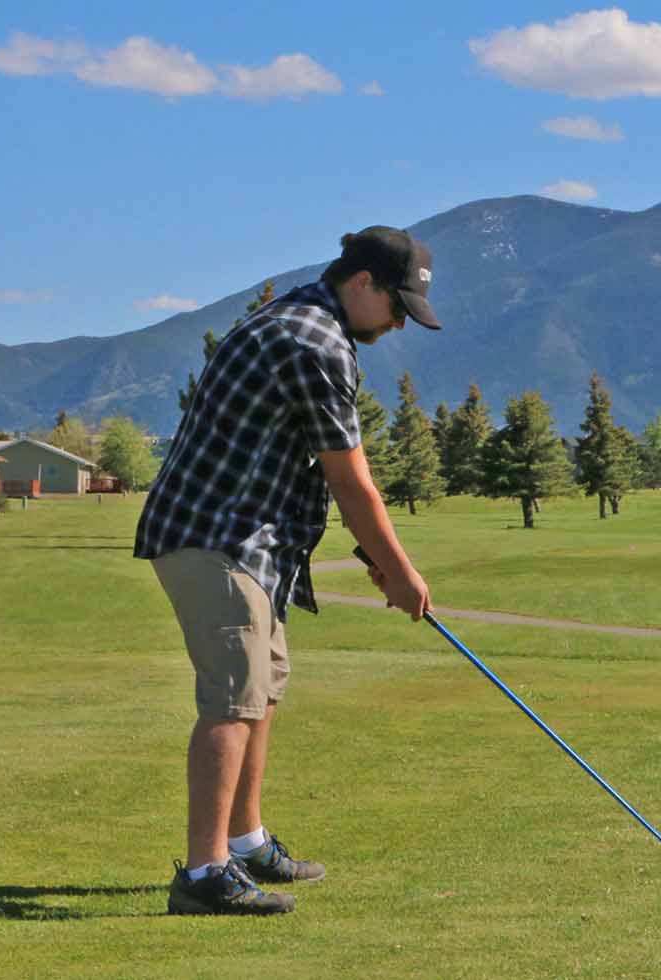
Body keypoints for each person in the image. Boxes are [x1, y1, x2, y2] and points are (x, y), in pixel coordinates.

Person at [136, 226, 441, 915]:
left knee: (264, 686)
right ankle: (204, 874)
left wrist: (375, 557)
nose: (398, 324)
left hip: (248, 540)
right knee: (234, 696)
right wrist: (398, 569)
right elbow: (349, 477)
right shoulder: (313, 341)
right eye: (398, 307)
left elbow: (306, 463)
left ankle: (245, 843)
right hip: (214, 536)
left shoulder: (308, 323)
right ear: (361, 282)